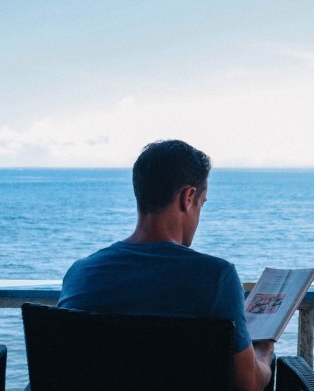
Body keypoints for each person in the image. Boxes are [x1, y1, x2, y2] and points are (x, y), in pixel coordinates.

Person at [58, 139, 274, 391]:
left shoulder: (80, 274)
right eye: (202, 204)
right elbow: (247, 385)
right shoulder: (216, 277)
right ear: (188, 198)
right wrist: (263, 353)